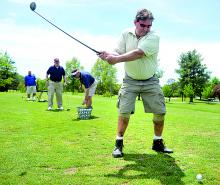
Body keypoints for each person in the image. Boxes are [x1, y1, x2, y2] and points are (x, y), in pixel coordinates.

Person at [99, 9, 173, 158]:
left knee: (160, 112)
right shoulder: (126, 34)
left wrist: (116, 59)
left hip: (150, 80)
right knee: (123, 112)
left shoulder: (154, 37)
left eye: (149, 26)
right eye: (143, 25)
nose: (146, 29)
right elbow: (118, 52)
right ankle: (118, 144)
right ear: (135, 22)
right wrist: (107, 55)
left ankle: (157, 143)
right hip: (130, 80)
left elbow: (138, 53)